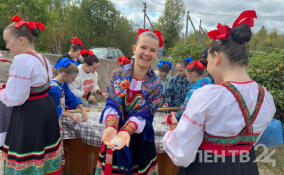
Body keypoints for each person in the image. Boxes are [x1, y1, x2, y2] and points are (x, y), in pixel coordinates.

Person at [163, 10, 276, 175]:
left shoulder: (207, 95)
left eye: (208, 62)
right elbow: (249, 139)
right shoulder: (266, 97)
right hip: (247, 167)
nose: (208, 69)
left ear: (217, 57)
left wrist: (174, 128)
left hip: (207, 168)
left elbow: (182, 153)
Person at [95, 28, 164, 175]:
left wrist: (127, 131)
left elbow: (145, 114)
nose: (147, 53)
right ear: (134, 48)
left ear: (157, 53)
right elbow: (112, 102)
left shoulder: (157, 85)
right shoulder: (117, 74)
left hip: (140, 141)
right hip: (114, 137)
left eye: (152, 50)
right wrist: (112, 126)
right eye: (143, 47)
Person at [0, 16, 62, 174]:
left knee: (26, 154)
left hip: (30, 115)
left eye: (8, 41)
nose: (7, 46)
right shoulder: (41, 58)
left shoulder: (21, 60)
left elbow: (16, 97)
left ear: (20, 40)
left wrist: (2, 91)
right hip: (45, 110)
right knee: (43, 151)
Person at [49, 58, 88, 123]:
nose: (74, 80)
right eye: (72, 78)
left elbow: (70, 97)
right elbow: (52, 110)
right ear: (64, 75)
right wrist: (71, 115)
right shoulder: (54, 88)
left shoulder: (63, 84)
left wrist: (82, 108)